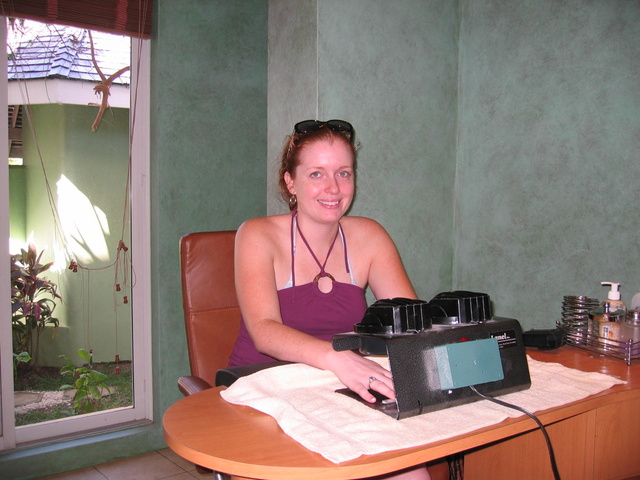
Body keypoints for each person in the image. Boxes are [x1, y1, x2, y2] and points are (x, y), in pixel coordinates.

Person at [228, 120, 431, 480]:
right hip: (266, 386)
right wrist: (338, 360)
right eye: (317, 174)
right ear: (290, 181)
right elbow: (264, 330)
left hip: (340, 386)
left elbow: (409, 323)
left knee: (409, 470)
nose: (333, 188)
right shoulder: (257, 235)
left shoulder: (370, 236)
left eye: (344, 173)